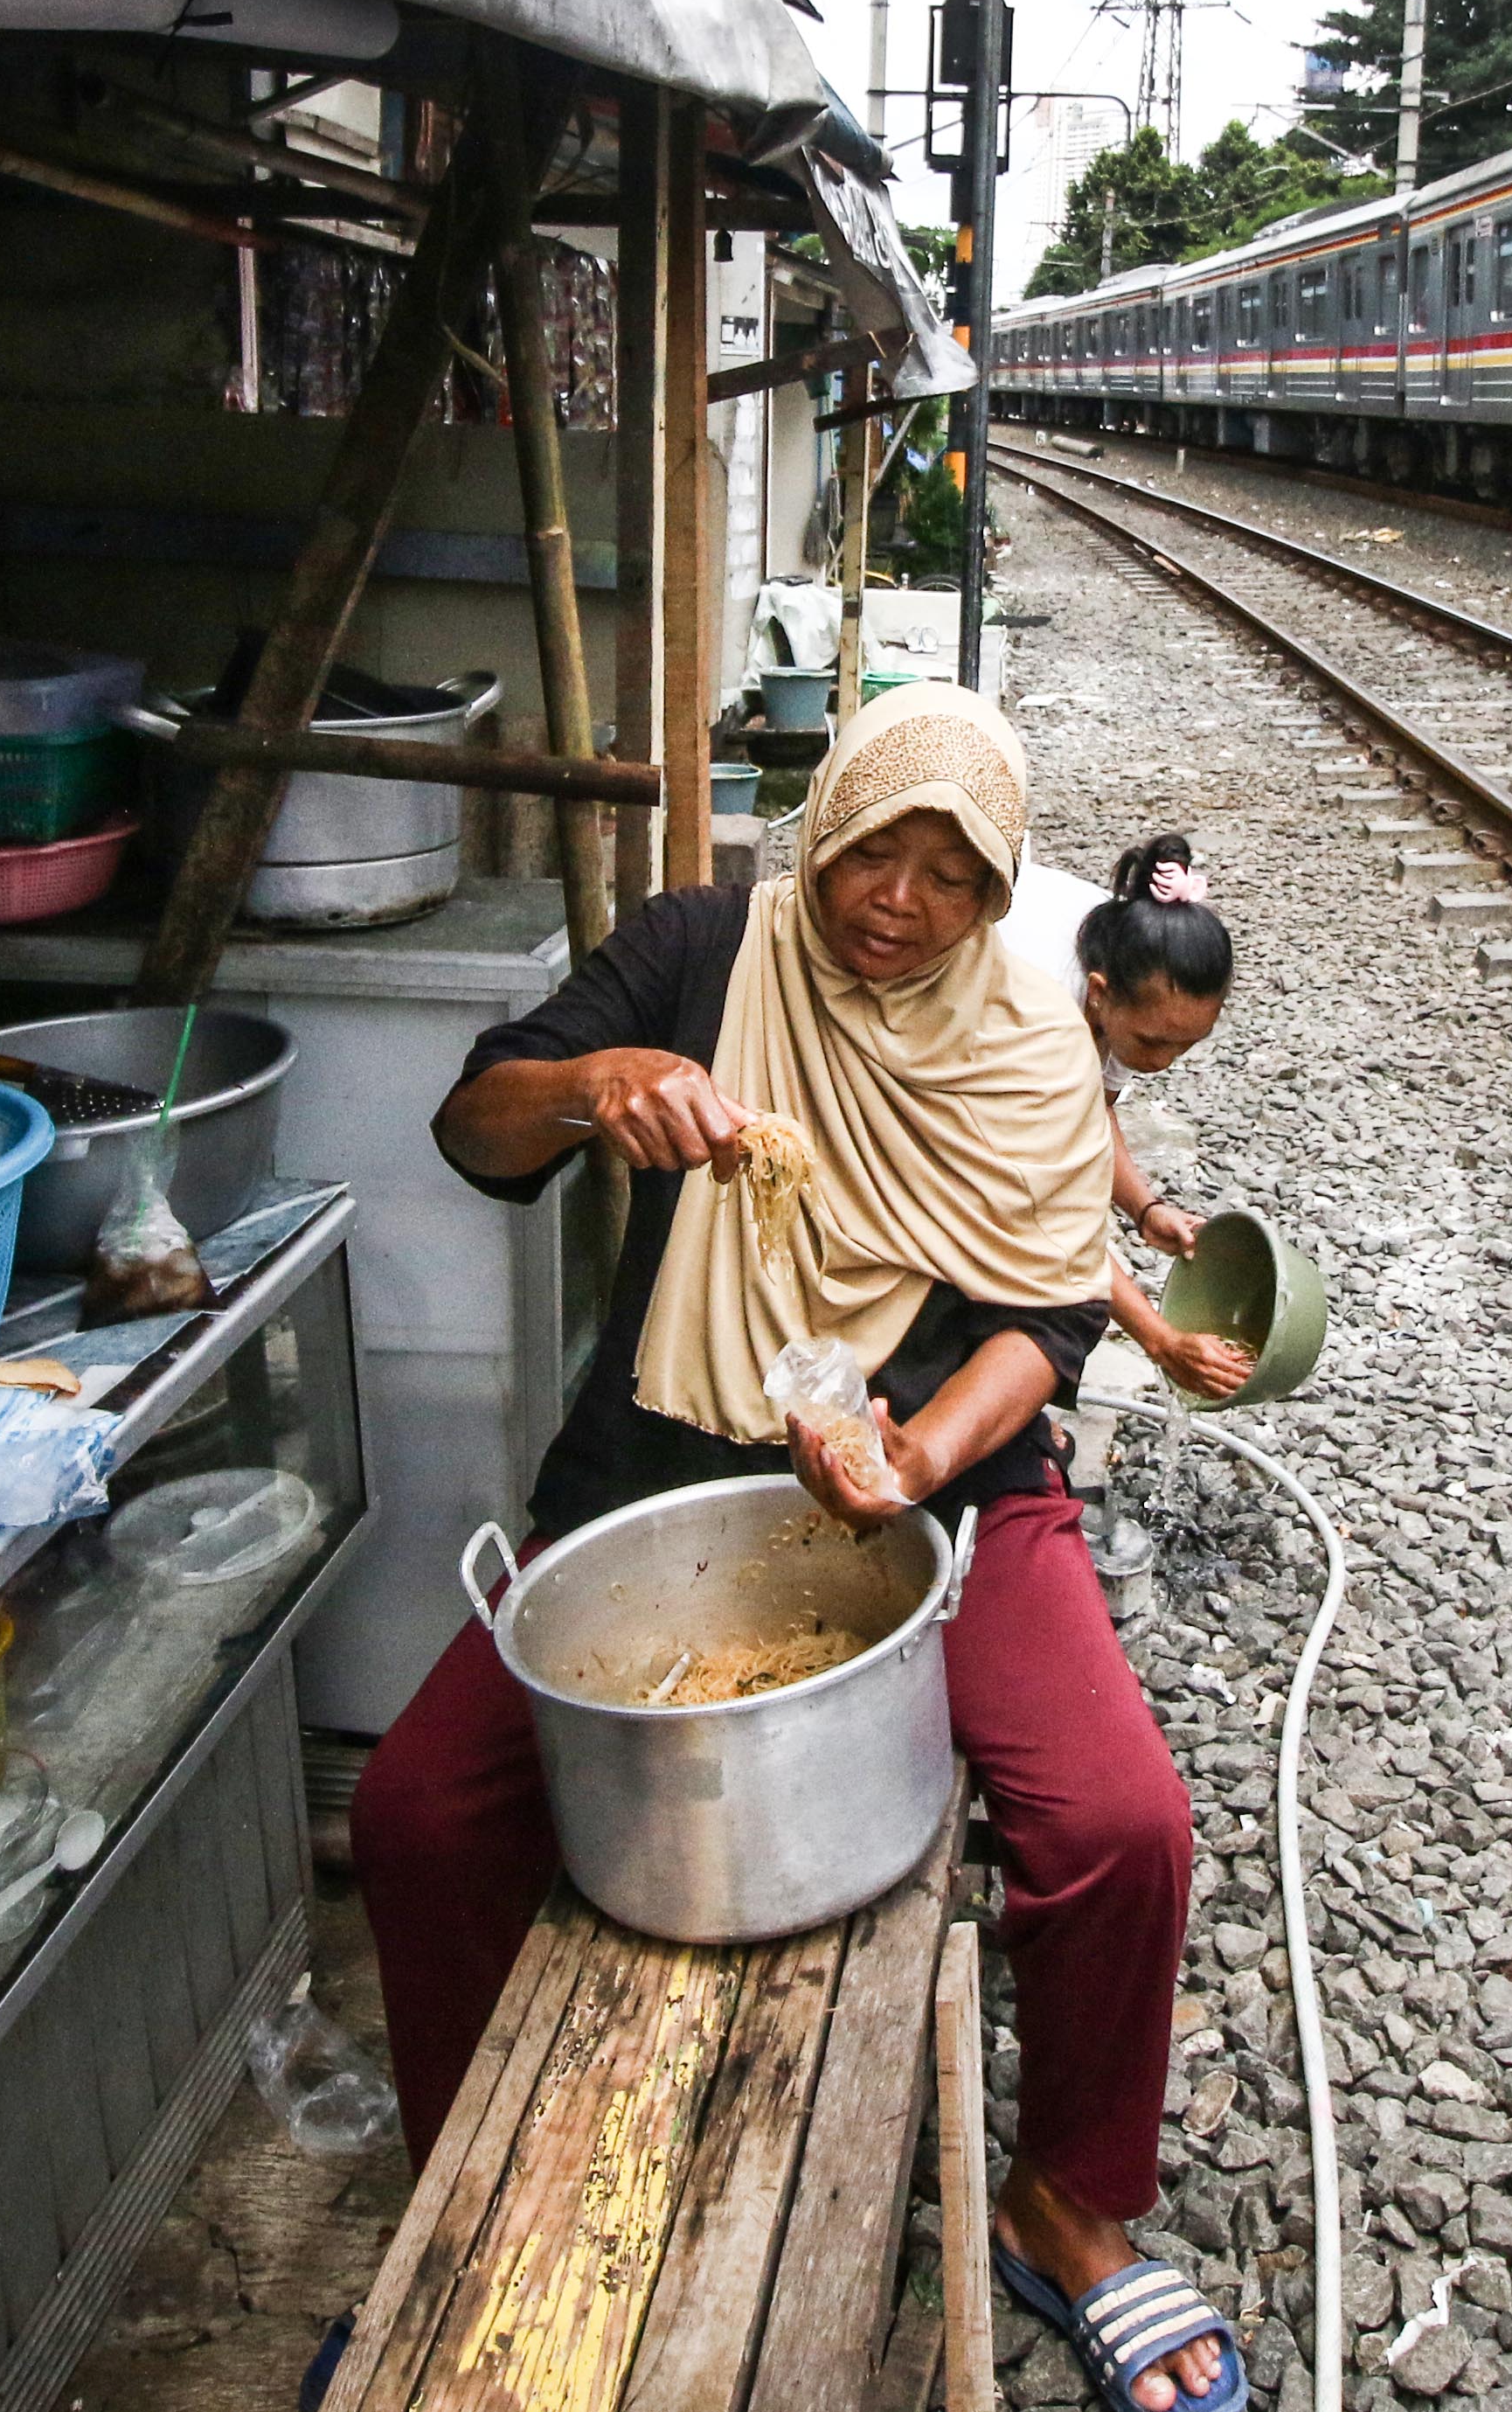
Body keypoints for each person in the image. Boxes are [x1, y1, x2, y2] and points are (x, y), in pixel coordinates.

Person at [368, 685, 1238, 2412]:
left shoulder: (1021, 1037)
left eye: (947, 871)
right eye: (869, 847)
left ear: (997, 895)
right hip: (659, 1476)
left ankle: (1064, 2202)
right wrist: (585, 1087)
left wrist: (918, 1448)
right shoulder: (705, 950)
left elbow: (1047, 1316)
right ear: (821, 818)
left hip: (949, 1493)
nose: (891, 901)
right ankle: (472, 2199)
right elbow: (477, 1128)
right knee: (413, 1812)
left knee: (1119, 1822)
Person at [1000, 836, 1252, 1398]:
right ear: (1098, 995)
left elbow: (1095, 1108)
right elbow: (1037, 1209)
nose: (1161, 1063)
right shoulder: (1035, 1014)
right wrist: (1159, 1339)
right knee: (1051, 1299)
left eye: (1185, 1048)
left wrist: (1145, 1209)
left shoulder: (1136, 952)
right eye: (1152, 1042)